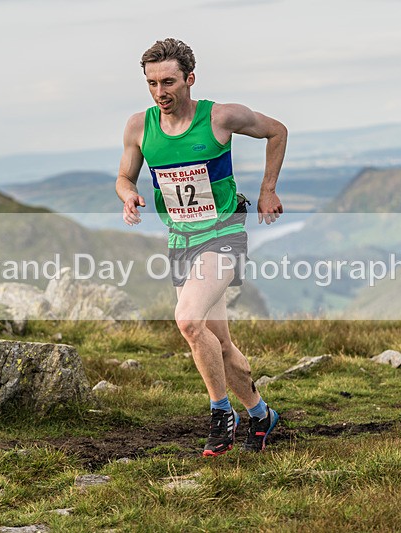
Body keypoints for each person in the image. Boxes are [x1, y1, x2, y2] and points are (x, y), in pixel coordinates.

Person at [115, 38, 287, 456]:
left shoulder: (221, 117)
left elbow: (277, 131)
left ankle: (220, 413)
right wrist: (128, 196)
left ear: (189, 79)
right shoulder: (140, 126)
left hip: (223, 232)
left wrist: (267, 191)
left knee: (188, 320)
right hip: (181, 240)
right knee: (217, 341)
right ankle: (261, 413)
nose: (161, 92)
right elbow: (124, 177)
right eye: (152, 83)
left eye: (169, 81)